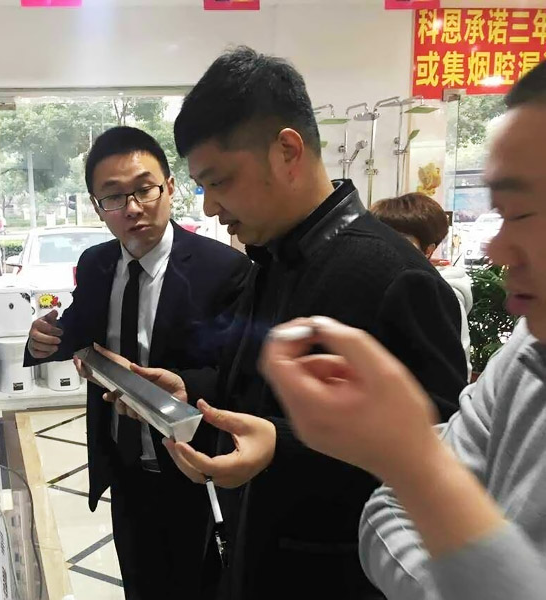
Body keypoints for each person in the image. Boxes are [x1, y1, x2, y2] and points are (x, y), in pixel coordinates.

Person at [101, 47, 468, 599]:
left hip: (339, 574)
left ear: (287, 151)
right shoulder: (269, 261)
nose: (209, 207)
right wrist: (188, 390)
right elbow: (257, 392)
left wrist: (281, 447)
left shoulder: (393, 276)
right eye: (201, 186)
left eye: (219, 181)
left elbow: (442, 452)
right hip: (254, 553)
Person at [260, 60, 546, 600]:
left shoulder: (397, 276)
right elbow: (387, 507)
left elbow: (414, 480)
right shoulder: (526, 352)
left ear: (288, 153)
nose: (496, 249)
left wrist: (411, 459)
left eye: (524, 213)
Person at [23, 126, 251, 599]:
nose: (131, 208)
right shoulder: (96, 263)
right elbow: (78, 330)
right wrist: (43, 339)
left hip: (192, 470)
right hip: (124, 466)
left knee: (199, 587)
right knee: (140, 583)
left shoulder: (223, 270)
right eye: (113, 197)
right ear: (97, 206)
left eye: (144, 189)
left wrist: (183, 386)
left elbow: (240, 375)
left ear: (170, 187)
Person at [371, 193, 473, 377]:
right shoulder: (374, 277)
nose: (385, 245)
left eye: (400, 240)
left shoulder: (435, 295)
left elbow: (451, 375)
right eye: (377, 236)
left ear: (428, 250)